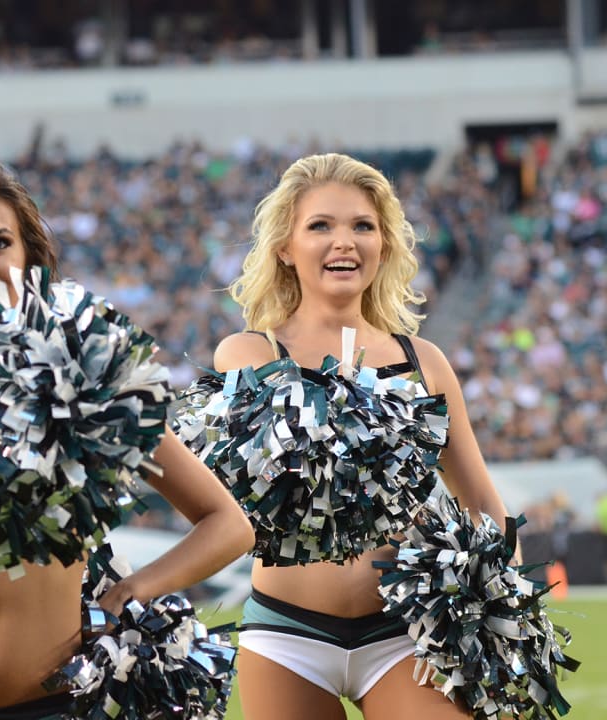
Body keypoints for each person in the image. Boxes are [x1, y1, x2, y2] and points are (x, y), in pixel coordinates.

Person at [0, 161, 253, 720]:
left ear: (29, 259)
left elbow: (228, 525)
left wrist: (131, 591)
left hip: (49, 701)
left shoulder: (98, 393)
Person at [212, 152, 515, 719]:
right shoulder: (248, 355)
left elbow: (483, 505)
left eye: (362, 226)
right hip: (288, 634)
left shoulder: (424, 362)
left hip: (406, 634)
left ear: (385, 245)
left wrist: (479, 618)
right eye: (320, 226)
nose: (344, 241)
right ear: (285, 247)